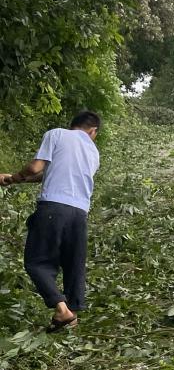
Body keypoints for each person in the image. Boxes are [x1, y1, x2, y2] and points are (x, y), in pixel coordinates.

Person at [0, 110, 102, 330]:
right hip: (80, 213)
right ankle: (71, 317)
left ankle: (62, 309)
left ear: (73, 125)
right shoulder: (94, 152)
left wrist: (15, 177)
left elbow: (35, 168)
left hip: (53, 209)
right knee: (74, 264)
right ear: (93, 131)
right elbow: (49, 174)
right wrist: (13, 180)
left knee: (37, 262)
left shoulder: (57, 134)